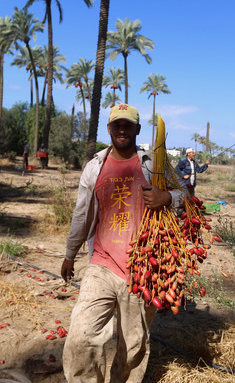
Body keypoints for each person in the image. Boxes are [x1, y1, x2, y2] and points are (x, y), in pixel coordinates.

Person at [60, 103, 183, 383]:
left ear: (138, 129)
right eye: (117, 125)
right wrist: (70, 254)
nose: (122, 130)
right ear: (109, 129)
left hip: (143, 268)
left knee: (133, 348)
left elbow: (185, 196)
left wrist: (168, 198)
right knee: (81, 336)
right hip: (101, 264)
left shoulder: (154, 163)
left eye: (128, 125)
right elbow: (82, 214)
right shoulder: (95, 167)